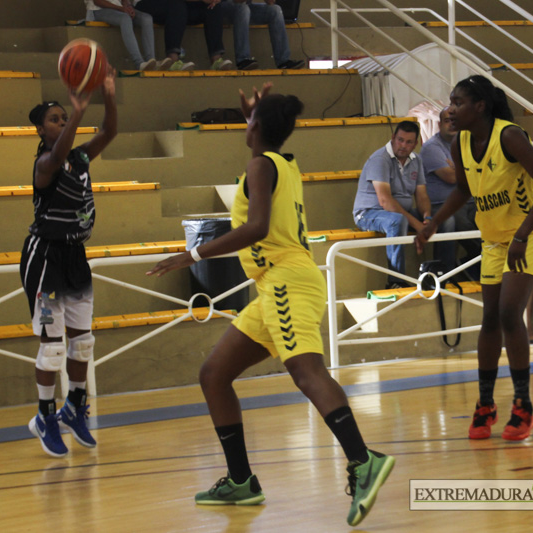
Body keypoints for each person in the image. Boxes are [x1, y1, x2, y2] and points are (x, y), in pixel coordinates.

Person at [147, 84, 394, 527]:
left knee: (306, 372)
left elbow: (257, 227)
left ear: (255, 126)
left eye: (250, 120)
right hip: (273, 285)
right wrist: (257, 115)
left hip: (287, 281)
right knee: (214, 375)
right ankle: (241, 481)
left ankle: (363, 461)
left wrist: (193, 253)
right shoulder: (277, 162)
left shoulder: (261, 165)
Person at [415, 75, 533, 441]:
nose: (449, 109)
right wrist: (432, 221)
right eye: (450, 102)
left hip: (532, 229)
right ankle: (485, 404)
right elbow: (463, 190)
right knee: (490, 318)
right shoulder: (462, 142)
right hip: (496, 237)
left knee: (511, 313)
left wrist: (523, 235)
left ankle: (523, 405)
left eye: (458, 102)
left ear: (480, 106)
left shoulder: (509, 136)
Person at [20, 67, 118, 457]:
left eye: (65, 116)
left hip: (75, 257)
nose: (62, 121)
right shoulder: (46, 163)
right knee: (53, 348)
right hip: (45, 259)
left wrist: (108, 93)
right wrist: (78, 111)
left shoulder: (78, 157)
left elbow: (109, 132)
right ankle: (44, 415)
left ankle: (74, 408)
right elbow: (60, 150)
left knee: (83, 344)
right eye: (55, 119)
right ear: (42, 130)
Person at [352, 120, 430, 289]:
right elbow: (385, 201)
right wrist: (417, 224)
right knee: (397, 220)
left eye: (409, 142)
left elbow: (422, 196)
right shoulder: (380, 159)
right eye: (400, 140)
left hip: (401, 212)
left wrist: (427, 218)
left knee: (444, 220)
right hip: (369, 213)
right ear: (393, 137)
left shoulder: (417, 160)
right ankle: (396, 280)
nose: (403, 145)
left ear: (416, 144)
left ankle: (442, 274)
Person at [419, 106, 480, 276]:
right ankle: (482, 258)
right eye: (447, 121)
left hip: (471, 200)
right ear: (439, 125)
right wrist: (468, 169)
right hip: (443, 204)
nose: (452, 125)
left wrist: (457, 168)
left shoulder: (468, 143)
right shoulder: (432, 147)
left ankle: (469, 265)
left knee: (494, 213)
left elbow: (483, 172)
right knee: (455, 220)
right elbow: (451, 178)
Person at [85, 0, 171, 71]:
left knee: (147, 19)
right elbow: (98, 2)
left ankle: (152, 62)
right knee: (125, 19)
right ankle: (139, 63)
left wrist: (129, 6)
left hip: (119, 9)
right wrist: (121, 9)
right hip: (98, 10)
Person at [221, 0, 304, 70]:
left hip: (245, 8)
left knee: (275, 10)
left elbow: (270, 3)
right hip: (221, 6)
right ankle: (242, 59)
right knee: (243, 9)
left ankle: (283, 61)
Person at [156, 0, 233, 71]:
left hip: (193, 9)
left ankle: (216, 60)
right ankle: (172, 60)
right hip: (171, 8)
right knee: (177, 5)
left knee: (213, 7)